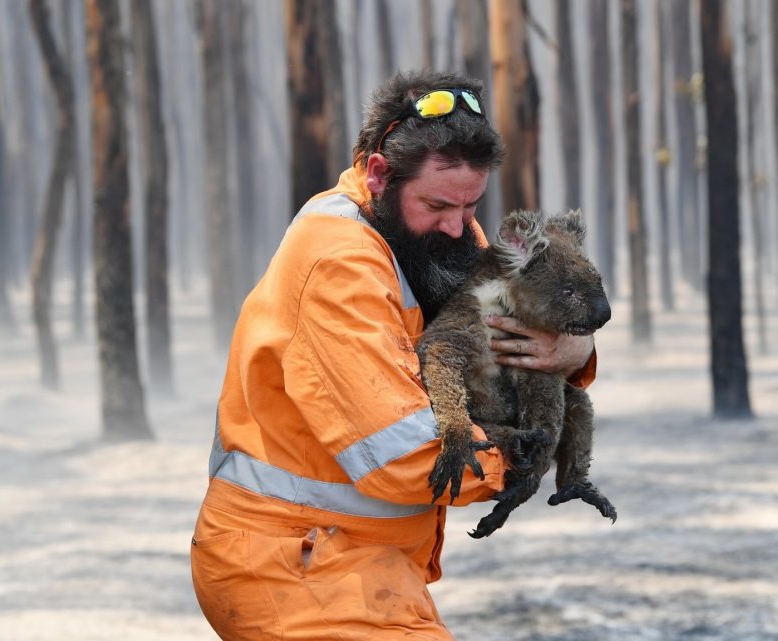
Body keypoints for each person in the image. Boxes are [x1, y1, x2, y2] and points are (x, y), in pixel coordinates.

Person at [190, 70, 598, 640]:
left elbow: (516, 333)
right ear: (380, 175)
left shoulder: (437, 230)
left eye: (472, 205)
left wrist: (576, 348)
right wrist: (528, 451)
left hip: (361, 562)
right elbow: (404, 456)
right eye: (438, 204)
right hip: (292, 565)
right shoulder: (338, 263)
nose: (460, 227)